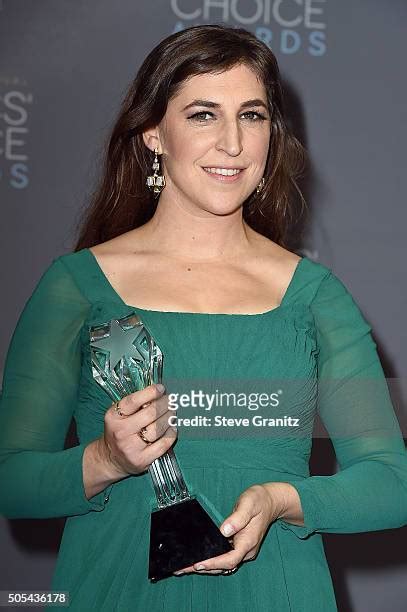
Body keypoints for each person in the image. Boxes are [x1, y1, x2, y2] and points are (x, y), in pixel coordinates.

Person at [0, 24, 406, 612]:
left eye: (252, 115)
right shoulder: (76, 288)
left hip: (279, 594)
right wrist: (105, 461)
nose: (233, 143)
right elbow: (12, 481)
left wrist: (282, 500)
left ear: (272, 134)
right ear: (152, 134)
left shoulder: (315, 296)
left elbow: (390, 485)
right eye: (202, 115)